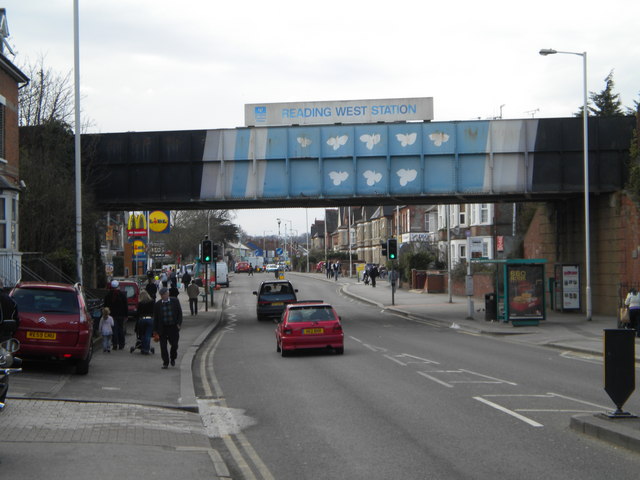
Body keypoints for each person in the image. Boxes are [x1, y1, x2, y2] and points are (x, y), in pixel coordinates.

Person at [153, 287, 183, 369]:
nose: (163, 296)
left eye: (165, 294)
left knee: (174, 345)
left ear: (168, 294)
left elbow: (180, 313)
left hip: (173, 327)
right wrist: (155, 331)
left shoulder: (175, 301)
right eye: (162, 295)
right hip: (162, 328)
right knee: (163, 347)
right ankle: (165, 362)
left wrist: (179, 324)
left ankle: (173, 358)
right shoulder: (157, 305)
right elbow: (155, 318)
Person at [104, 280, 128, 350]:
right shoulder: (122, 295)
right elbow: (125, 306)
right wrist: (126, 315)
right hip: (121, 315)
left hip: (112, 315)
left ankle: (114, 344)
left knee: (114, 329)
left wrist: (106, 314)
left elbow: (106, 306)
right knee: (120, 329)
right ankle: (121, 344)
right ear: (118, 286)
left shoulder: (108, 296)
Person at [136, 290, 155, 354]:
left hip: (142, 319)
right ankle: (147, 349)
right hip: (150, 319)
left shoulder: (140, 303)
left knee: (143, 334)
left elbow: (138, 313)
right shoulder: (152, 302)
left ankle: (143, 348)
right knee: (148, 335)